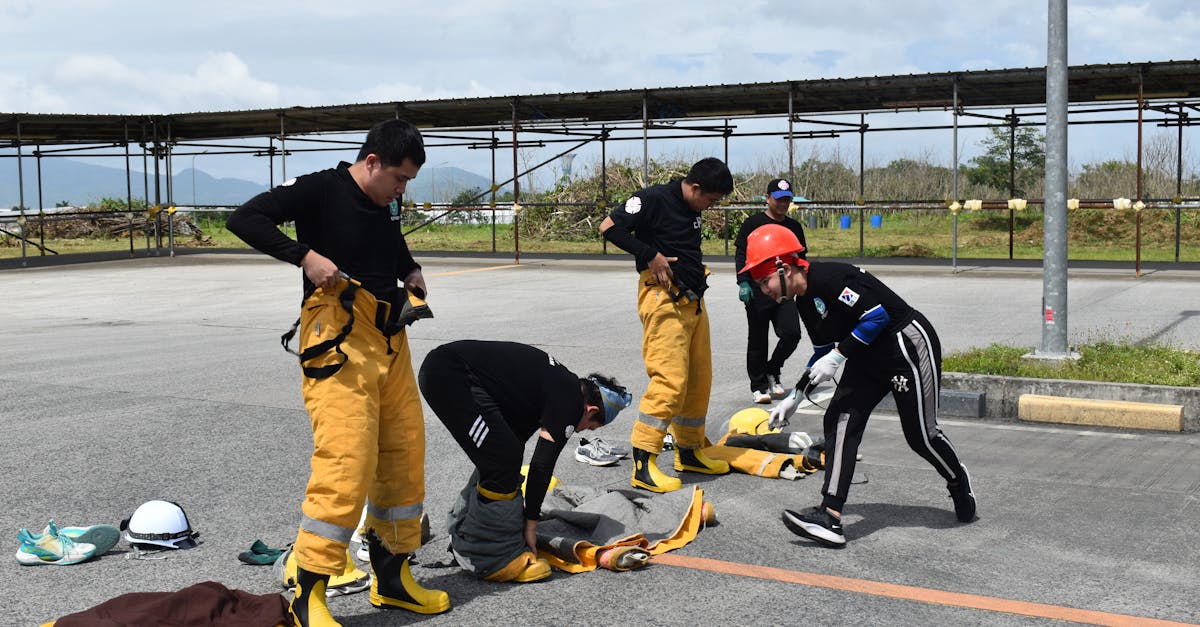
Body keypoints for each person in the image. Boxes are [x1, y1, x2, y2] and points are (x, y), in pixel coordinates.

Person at [226, 119, 448, 626]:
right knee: (346, 462)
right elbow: (244, 218)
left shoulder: (386, 201)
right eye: (399, 178)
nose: (402, 190)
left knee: (404, 454)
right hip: (338, 337)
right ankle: (307, 596)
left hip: (390, 337)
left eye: (408, 182)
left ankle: (393, 580)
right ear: (371, 162)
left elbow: (388, 239)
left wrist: (409, 268)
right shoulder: (320, 189)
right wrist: (303, 256)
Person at [739, 224, 976, 548]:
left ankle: (957, 479)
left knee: (921, 436)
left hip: (904, 346)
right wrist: (795, 396)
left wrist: (838, 356)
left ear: (785, 267)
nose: (763, 289)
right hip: (864, 352)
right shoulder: (803, 301)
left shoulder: (831, 278)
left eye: (764, 281)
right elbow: (823, 352)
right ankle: (830, 515)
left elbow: (876, 317)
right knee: (839, 419)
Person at [417, 340, 632, 582]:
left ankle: (464, 530)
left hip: (451, 370)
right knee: (502, 460)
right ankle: (495, 559)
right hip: (450, 376)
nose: (582, 432)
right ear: (591, 410)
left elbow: (518, 442)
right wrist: (531, 523)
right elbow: (542, 466)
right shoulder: (570, 402)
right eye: (590, 427)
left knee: (501, 454)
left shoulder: (557, 387)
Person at [599, 157, 734, 493]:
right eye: (710, 200)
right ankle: (643, 463)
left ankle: (689, 451)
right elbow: (608, 227)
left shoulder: (691, 207)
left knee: (698, 380)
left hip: (693, 300)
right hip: (664, 299)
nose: (710, 206)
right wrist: (650, 255)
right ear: (695, 187)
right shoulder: (653, 199)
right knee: (669, 380)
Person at [733, 178, 808, 404]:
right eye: (778, 199)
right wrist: (743, 282)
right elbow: (741, 254)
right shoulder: (753, 223)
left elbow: (800, 258)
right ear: (767, 198)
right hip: (758, 290)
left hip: (785, 291)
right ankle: (758, 386)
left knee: (792, 334)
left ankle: (773, 369)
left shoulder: (794, 227)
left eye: (787, 199)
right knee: (758, 340)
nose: (783, 203)